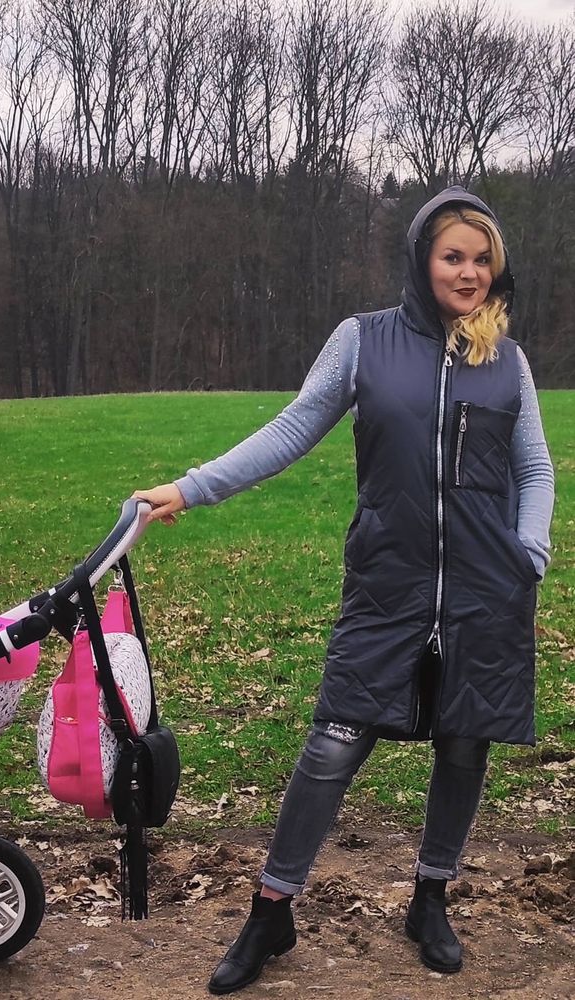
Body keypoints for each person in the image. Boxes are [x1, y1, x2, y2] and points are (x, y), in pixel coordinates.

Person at [134, 186, 555, 995]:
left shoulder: (505, 360)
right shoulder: (363, 340)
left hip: (485, 590)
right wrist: (190, 487)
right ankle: (271, 909)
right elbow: (292, 428)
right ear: (421, 260)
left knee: (463, 743)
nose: (468, 273)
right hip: (386, 585)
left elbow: (533, 469)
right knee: (332, 744)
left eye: (481, 260)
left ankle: (430, 898)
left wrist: (527, 553)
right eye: (452, 256)